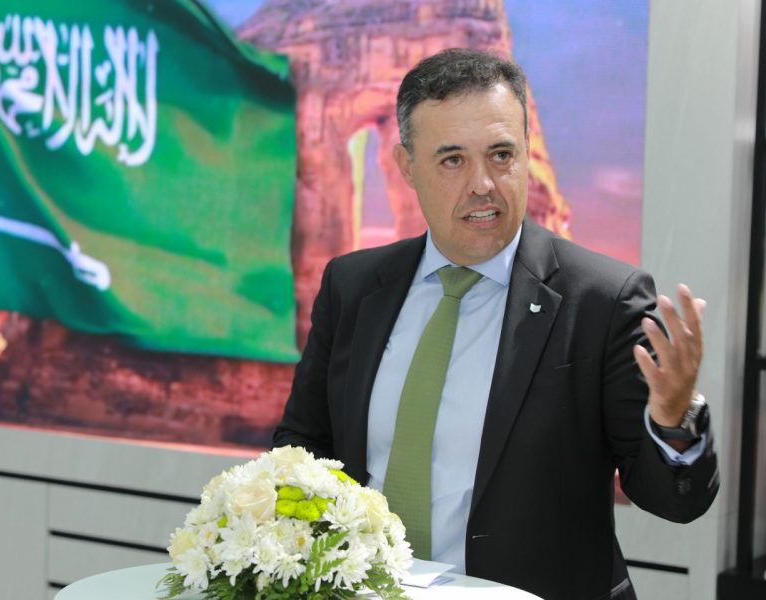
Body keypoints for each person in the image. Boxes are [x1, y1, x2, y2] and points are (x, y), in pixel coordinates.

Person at [273, 48, 718, 600]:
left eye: (501, 154)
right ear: (407, 166)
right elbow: (303, 445)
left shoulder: (604, 300)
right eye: (452, 160)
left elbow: (674, 501)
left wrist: (673, 420)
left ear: (526, 153)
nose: (482, 183)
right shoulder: (353, 285)